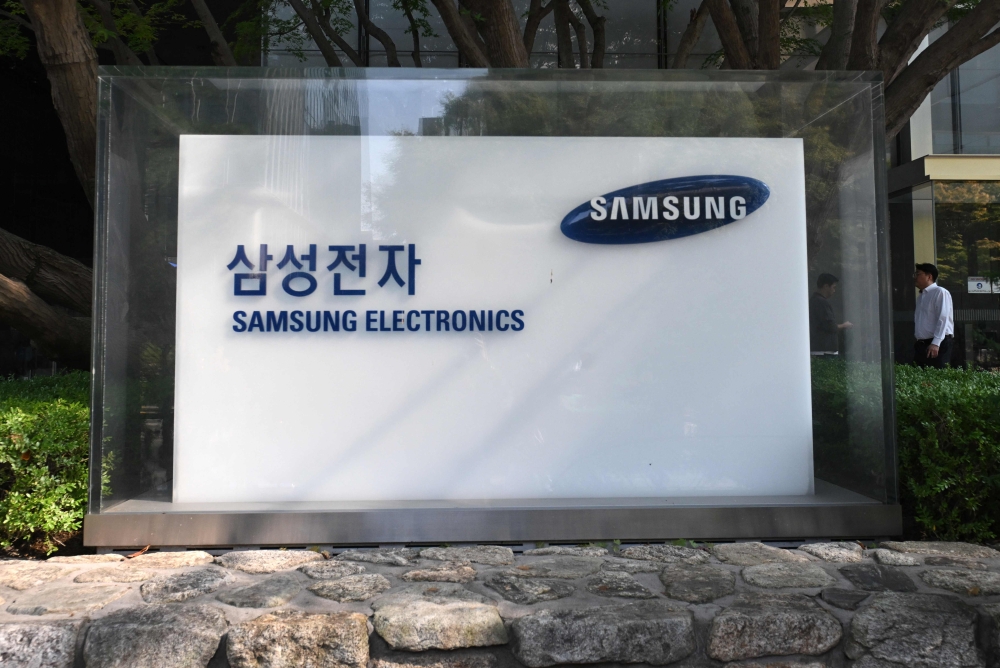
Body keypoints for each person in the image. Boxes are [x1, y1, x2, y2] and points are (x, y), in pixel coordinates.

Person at [913, 263, 954, 368]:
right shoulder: (921, 297)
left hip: (938, 342)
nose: (915, 277)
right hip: (922, 344)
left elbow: (943, 318)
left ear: (929, 276)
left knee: (937, 376)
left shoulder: (940, 292)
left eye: (918, 274)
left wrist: (936, 343)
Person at [809, 273, 852, 355]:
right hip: (824, 350)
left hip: (819, 349)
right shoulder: (821, 302)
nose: (834, 291)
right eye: (833, 287)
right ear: (826, 286)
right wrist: (844, 325)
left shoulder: (814, 301)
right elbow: (830, 326)